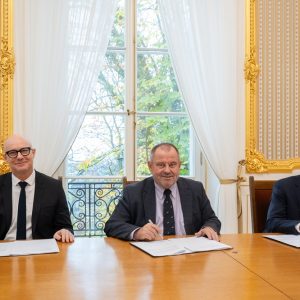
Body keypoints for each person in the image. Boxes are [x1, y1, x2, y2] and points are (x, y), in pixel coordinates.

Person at [105, 143, 221, 241]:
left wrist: (209, 228)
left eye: (172, 165)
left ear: (179, 165)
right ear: (150, 166)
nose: (167, 170)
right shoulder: (133, 192)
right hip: (149, 257)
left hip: (188, 255)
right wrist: (137, 232)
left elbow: (212, 219)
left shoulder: (195, 189)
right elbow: (112, 225)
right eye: (161, 165)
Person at [0, 134, 74, 242]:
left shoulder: (54, 187)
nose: (20, 157)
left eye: (24, 150)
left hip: (41, 251)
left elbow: (65, 226)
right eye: (12, 153)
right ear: (5, 158)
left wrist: (64, 231)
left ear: (33, 153)